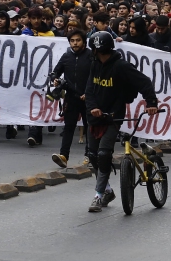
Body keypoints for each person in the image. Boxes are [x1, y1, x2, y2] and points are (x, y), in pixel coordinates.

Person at [84, 31, 158, 213]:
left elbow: (145, 82)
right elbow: (90, 89)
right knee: (92, 155)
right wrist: (92, 106)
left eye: (98, 51)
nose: (96, 54)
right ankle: (108, 190)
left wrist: (151, 103)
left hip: (113, 116)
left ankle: (98, 195)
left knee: (103, 154)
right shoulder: (94, 64)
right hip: (94, 116)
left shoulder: (121, 66)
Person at [49, 28, 94, 168]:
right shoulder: (66, 56)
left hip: (88, 98)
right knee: (69, 127)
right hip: (71, 97)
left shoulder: (92, 56)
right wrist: (55, 79)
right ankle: (64, 156)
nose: (75, 43)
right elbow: (55, 72)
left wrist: (89, 93)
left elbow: (96, 77)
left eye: (78, 40)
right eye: (72, 41)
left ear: (84, 42)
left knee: (90, 127)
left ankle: (90, 155)